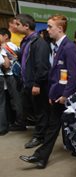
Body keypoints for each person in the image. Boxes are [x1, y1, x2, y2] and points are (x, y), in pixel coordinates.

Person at [19, 14, 76, 169]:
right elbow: (57, 75)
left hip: (64, 96)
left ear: (59, 28)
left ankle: (42, 157)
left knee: (65, 124)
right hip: (57, 95)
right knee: (53, 127)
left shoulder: (69, 48)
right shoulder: (58, 46)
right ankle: (41, 158)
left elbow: (73, 77)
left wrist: (65, 95)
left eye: (50, 26)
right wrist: (53, 94)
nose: (47, 30)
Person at [15, 14, 51, 149]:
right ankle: (40, 131)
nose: (15, 26)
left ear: (26, 26)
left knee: (40, 110)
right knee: (33, 109)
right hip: (27, 82)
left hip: (36, 84)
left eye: (18, 24)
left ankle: (40, 136)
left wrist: (37, 84)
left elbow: (42, 66)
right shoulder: (25, 41)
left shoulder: (39, 43)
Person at [0, 28, 25, 132]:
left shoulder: (7, 46)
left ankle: (20, 122)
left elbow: (10, 61)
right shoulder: (12, 45)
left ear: (5, 36)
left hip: (11, 75)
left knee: (16, 100)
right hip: (13, 75)